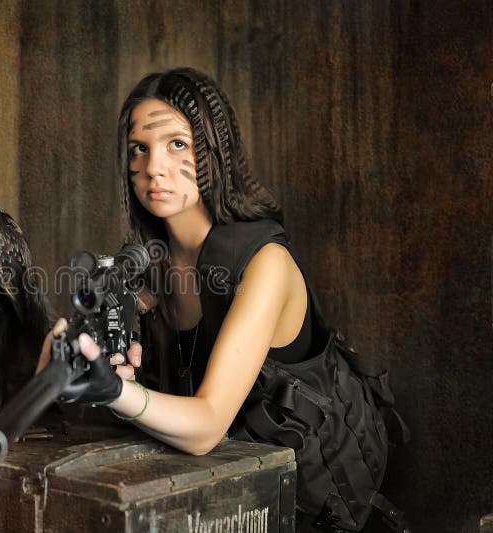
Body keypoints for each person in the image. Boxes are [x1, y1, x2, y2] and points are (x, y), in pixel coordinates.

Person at [37, 67, 404, 532]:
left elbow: (207, 427)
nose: (153, 168)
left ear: (212, 152)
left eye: (176, 144)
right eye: (139, 149)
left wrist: (115, 391)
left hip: (310, 513)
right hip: (217, 506)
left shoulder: (264, 264)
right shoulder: (147, 270)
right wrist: (70, 358)